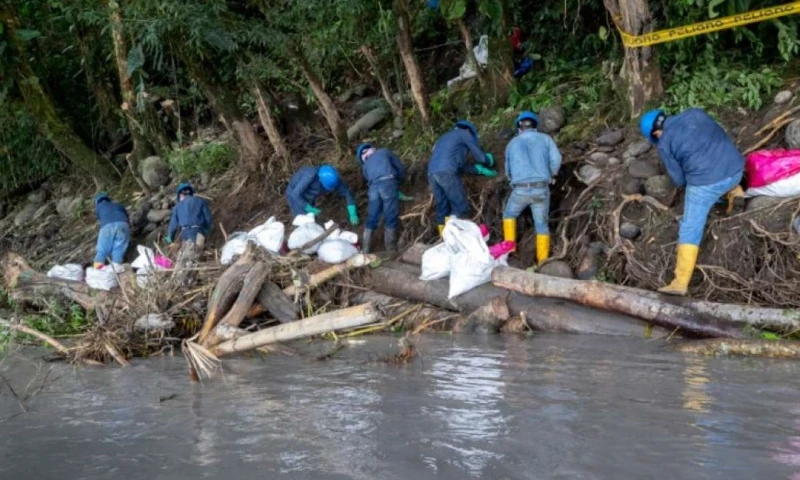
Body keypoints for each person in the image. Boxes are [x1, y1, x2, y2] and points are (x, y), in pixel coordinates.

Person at [640, 108, 745, 296]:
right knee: (717, 181)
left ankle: (680, 282)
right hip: (736, 168)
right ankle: (734, 192)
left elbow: (679, 180)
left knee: (690, 226)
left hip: (708, 182)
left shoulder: (665, 143)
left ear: (655, 133)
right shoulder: (696, 113)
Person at [502, 111, 562, 266]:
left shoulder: (512, 144)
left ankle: (510, 252)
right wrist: (552, 174)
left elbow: (507, 170)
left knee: (509, 215)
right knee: (541, 225)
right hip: (541, 189)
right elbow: (556, 159)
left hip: (520, 190)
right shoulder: (546, 139)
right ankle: (542, 262)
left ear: (519, 128)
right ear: (535, 126)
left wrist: (512, 180)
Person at [427, 120, 496, 235]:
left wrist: (477, 169)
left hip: (431, 173)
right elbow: (481, 158)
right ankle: (453, 237)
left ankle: (443, 239)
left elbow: (457, 164)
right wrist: (488, 160)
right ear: (469, 131)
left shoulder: (444, 138)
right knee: (460, 207)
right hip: (446, 172)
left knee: (442, 209)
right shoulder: (465, 134)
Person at [356, 143, 406, 253]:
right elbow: (399, 168)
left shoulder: (365, 166)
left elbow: (368, 179)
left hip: (373, 188)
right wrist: (399, 182)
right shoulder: (384, 151)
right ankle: (391, 250)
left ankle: (365, 250)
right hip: (388, 183)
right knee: (390, 215)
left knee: (372, 217)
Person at [286, 165, 359, 226]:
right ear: (320, 179)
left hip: (310, 196)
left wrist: (353, 214)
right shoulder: (309, 175)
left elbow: (347, 193)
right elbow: (295, 194)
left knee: (312, 218)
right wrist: (309, 208)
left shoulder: (334, 178)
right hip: (295, 196)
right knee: (305, 222)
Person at [166, 182, 213, 247]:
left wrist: (169, 238)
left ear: (180, 195)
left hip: (185, 234)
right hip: (198, 232)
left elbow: (173, 224)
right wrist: (207, 229)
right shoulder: (200, 201)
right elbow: (208, 218)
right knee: (199, 250)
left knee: (188, 251)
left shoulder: (177, 207)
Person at [93, 192, 130, 269]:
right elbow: (126, 216)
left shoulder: (98, 206)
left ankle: (97, 270)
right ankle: (116, 268)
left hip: (107, 226)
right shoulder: (117, 204)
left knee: (102, 250)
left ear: (97, 202)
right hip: (123, 224)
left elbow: (100, 218)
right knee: (119, 248)